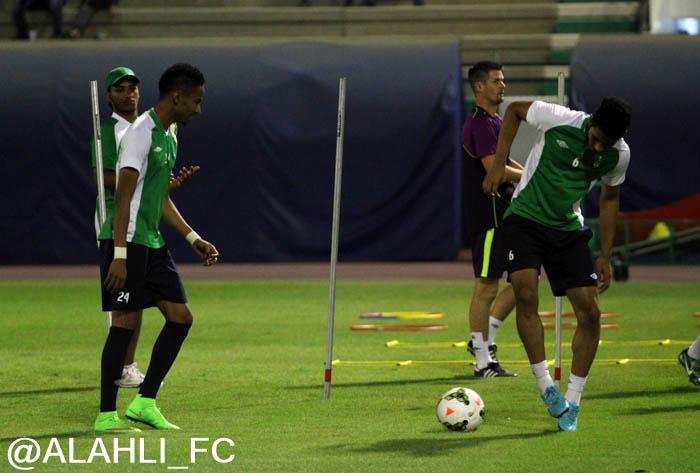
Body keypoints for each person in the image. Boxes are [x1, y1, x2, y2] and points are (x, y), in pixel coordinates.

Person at [483, 97, 631, 431]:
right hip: (525, 218)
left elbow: (610, 198)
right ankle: (546, 386)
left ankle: (573, 401)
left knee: (590, 314)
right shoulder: (561, 119)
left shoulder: (619, 154)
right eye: (595, 138)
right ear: (591, 121)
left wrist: (605, 255)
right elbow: (515, 110)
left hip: (567, 228)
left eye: (605, 144)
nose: (597, 148)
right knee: (525, 292)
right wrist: (499, 163)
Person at [94, 63, 219, 432]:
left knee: (181, 318)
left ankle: (144, 403)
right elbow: (123, 197)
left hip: (152, 241)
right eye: (196, 101)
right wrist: (119, 255)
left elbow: (159, 197)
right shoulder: (139, 135)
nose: (198, 109)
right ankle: (106, 416)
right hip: (126, 241)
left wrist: (193, 238)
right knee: (124, 322)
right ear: (177, 97)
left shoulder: (171, 133)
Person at [462, 61, 522, 378]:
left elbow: (506, 160)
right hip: (490, 216)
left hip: (507, 214)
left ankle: (487, 340)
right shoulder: (479, 124)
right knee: (486, 286)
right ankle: (483, 362)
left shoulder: (496, 121)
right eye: (496, 80)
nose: (503, 85)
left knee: (525, 279)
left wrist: (531, 172)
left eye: (503, 79)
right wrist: (532, 176)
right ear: (479, 86)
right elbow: (494, 170)